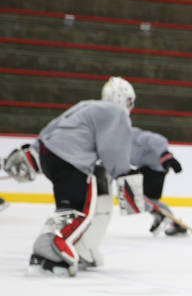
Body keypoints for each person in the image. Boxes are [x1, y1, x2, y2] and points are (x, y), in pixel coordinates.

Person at [3, 76, 146, 275]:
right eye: (130, 101)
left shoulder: (87, 105)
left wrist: (33, 153)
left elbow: (52, 127)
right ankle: (52, 246)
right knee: (80, 210)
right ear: (123, 98)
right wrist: (124, 173)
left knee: (66, 206)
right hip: (71, 158)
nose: (130, 106)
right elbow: (112, 149)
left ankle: (47, 256)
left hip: (49, 154)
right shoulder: (117, 113)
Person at [131, 126, 187, 236]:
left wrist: (165, 156)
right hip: (147, 167)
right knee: (146, 199)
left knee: (142, 198)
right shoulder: (112, 140)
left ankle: (169, 219)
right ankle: (171, 221)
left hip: (155, 167)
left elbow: (159, 140)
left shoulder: (130, 134)